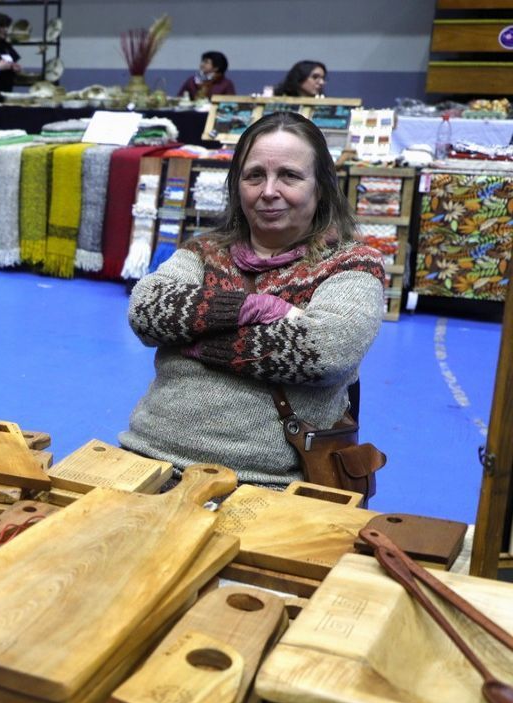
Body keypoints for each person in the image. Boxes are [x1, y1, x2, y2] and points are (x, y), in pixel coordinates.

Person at [118, 111, 386, 488]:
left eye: (289, 176)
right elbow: (147, 311)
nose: (269, 191)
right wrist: (259, 309)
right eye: (254, 175)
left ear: (321, 187)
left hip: (263, 481)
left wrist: (193, 337)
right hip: (145, 456)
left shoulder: (350, 265)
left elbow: (323, 353)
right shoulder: (205, 252)